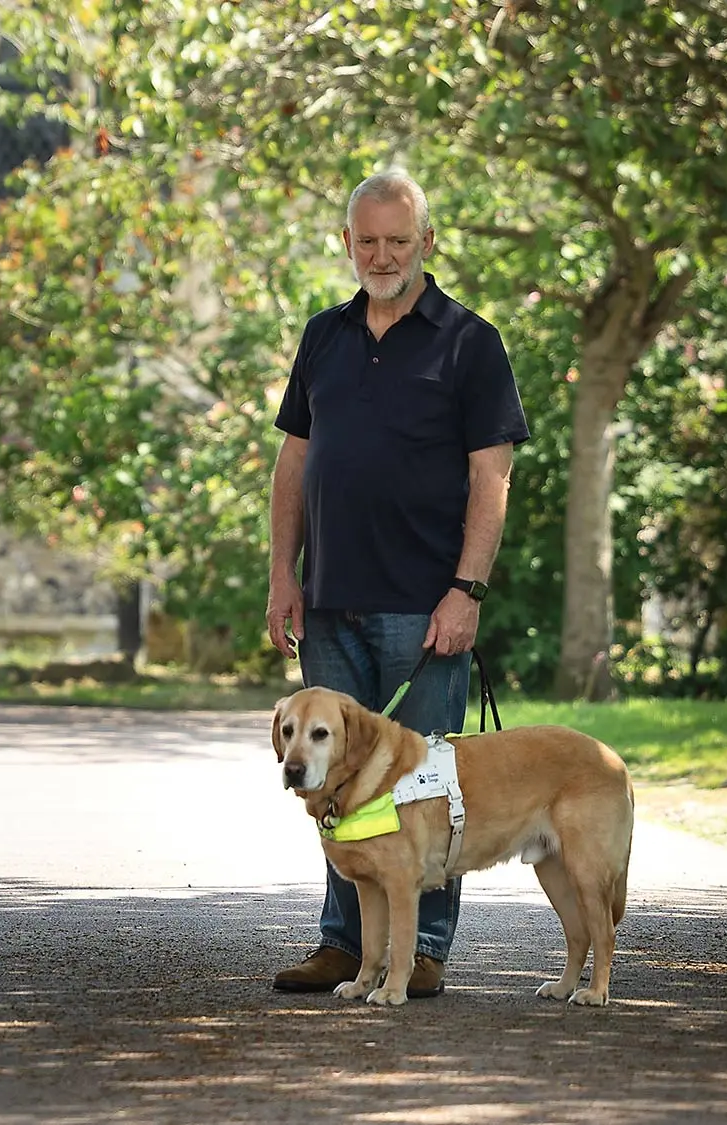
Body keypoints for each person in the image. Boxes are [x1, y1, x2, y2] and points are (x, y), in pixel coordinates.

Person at [264, 169, 529, 998]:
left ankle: (424, 953)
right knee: (336, 785)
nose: (382, 255)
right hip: (332, 602)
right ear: (348, 243)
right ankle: (346, 944)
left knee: (424, 790)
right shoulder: (324, 336)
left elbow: (493, 477)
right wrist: (282, 572)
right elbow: (294, 463)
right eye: (367, 240)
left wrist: (468, 591)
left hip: (426, 609)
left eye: (398, 241)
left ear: (427, 243)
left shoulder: (470, 341)